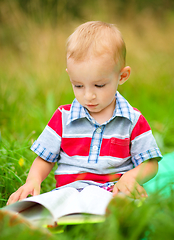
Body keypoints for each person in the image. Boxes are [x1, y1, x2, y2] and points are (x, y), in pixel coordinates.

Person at [7, 21, 162, 205]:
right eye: (78, 85)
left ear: (122, 76)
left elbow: (150, 163)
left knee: (128, 206)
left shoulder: (132, 120)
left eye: (99, 85)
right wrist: (33, 180)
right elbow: (45, 158)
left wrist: (131, 177)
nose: (88, 95)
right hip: (69, 194)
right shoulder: (63, 117)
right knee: (45, 205)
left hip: (113, 193)